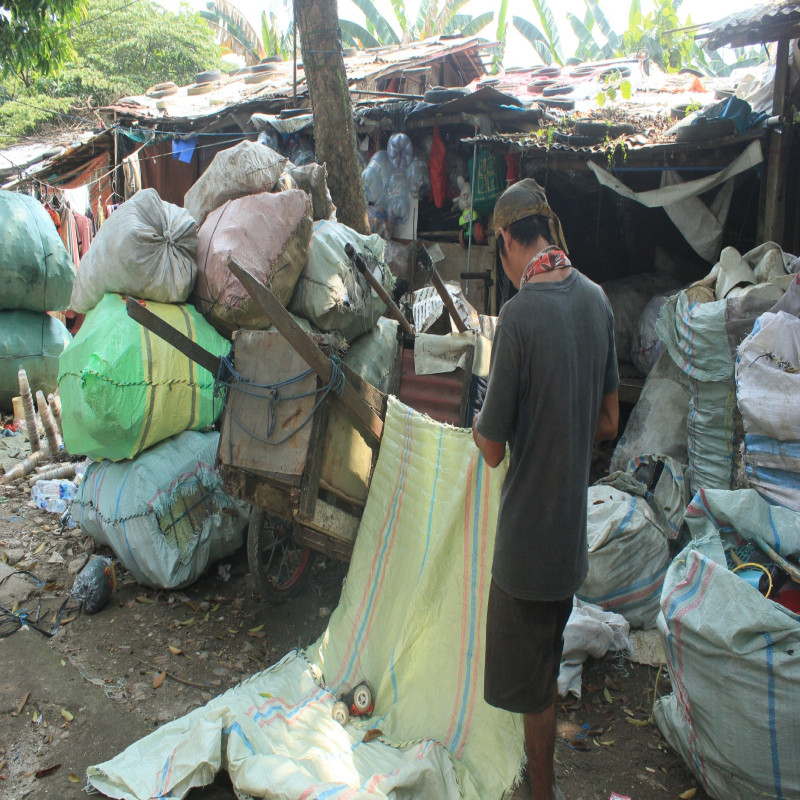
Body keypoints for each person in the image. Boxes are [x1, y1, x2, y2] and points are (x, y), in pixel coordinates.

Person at [472, 179, 619, 800]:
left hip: (526, 548)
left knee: (531, 689)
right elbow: (609, 422)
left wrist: (484, 415)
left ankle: (542, 793)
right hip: (568, 545)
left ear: (508, 239)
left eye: (498, 248)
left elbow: (492, 446)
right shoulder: (597, 302)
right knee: (543, 666)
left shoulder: (520, 315)